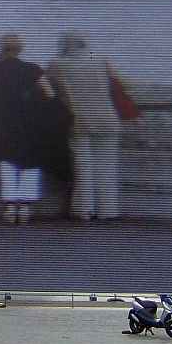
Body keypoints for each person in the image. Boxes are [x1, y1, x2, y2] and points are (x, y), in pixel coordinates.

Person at [0, 33, 54, 226]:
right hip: (30, 121)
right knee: (30, 163)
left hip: (5, 121)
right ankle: (25, 207)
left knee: (7, 162)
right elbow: (49, 93)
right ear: (21, 49)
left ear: (2, 48)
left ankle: (10, 207)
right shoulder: (33, 69)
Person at [48, 31, 120, 222]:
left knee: (83, 167)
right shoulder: (100, 62)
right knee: (107, 167)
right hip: (108, 120)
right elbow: (123, 83)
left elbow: (48, 89)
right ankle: (108, 210)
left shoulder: (58, 65)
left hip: (79, 121)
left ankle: (83, 209)